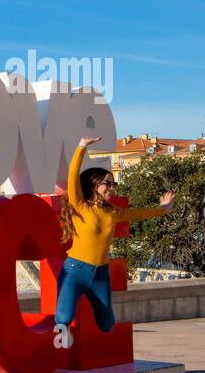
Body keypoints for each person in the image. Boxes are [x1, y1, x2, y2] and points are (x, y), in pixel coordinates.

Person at [56, 136, 176, 332]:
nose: (112, 188)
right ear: (94, 185)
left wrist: (162, 209)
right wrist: (82, 146)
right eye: (107, 184)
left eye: (113, 184)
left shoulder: (112, 211)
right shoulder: (80, 206)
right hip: (75, 269)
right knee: (63, 318)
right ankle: (61, 334)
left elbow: (137, 213)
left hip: (100, 273)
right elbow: (72, 175)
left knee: (106, 324)